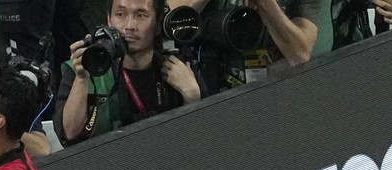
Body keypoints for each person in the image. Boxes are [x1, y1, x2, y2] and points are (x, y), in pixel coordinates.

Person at [57, 0, 202, 144]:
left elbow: (201, 139)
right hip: (106, 163)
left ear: (158, 24)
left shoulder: (179, 67)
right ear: (109, 20)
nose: (129, 26)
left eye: (140, 15)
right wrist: (82, 79)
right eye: (120, 14)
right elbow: (70, 134)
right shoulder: (84, 66)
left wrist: (192, 97)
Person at [167, 0, 331, 92]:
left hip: (285, 91)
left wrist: (266, 5)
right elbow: (165, 18)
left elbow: (300, 55)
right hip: (220, 89)